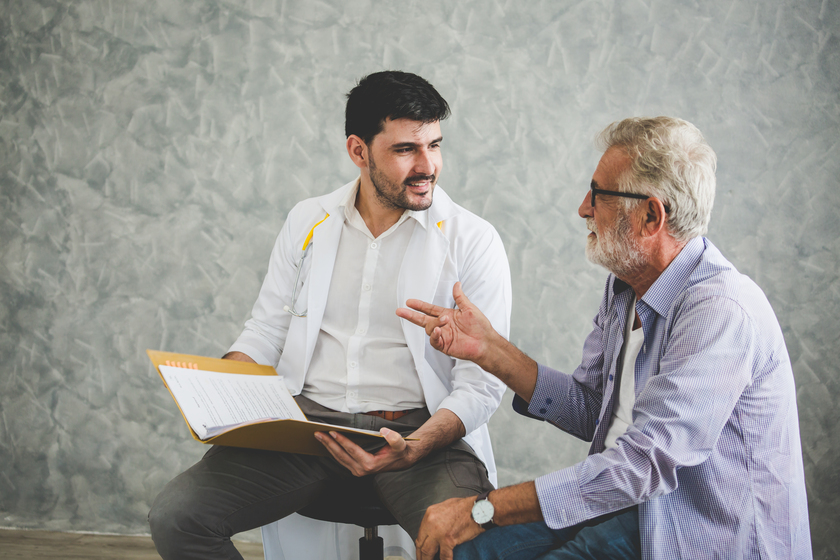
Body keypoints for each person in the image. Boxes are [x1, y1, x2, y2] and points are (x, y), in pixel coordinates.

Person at [397, 116, 812, 560]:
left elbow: (642, 464)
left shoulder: (720, 311)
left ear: (652, 215)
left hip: (687, 530)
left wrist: (482, 509)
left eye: (598, 194)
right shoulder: (626, 288)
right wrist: (489, 350)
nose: (582, 208)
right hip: (617, 506)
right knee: (462, 555)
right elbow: (595, 409)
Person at [147, 71, 512, 560]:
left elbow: (483, 385)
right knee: (178, 518)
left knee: (468, 545)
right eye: (406, 149)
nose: (428, 166)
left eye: (435, 145)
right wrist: (223, 386)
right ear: (358, 151)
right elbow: (267, 328)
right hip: (307, 429)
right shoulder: (307, 221)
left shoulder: (472, 240)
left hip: (420, 433)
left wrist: (419, 444)